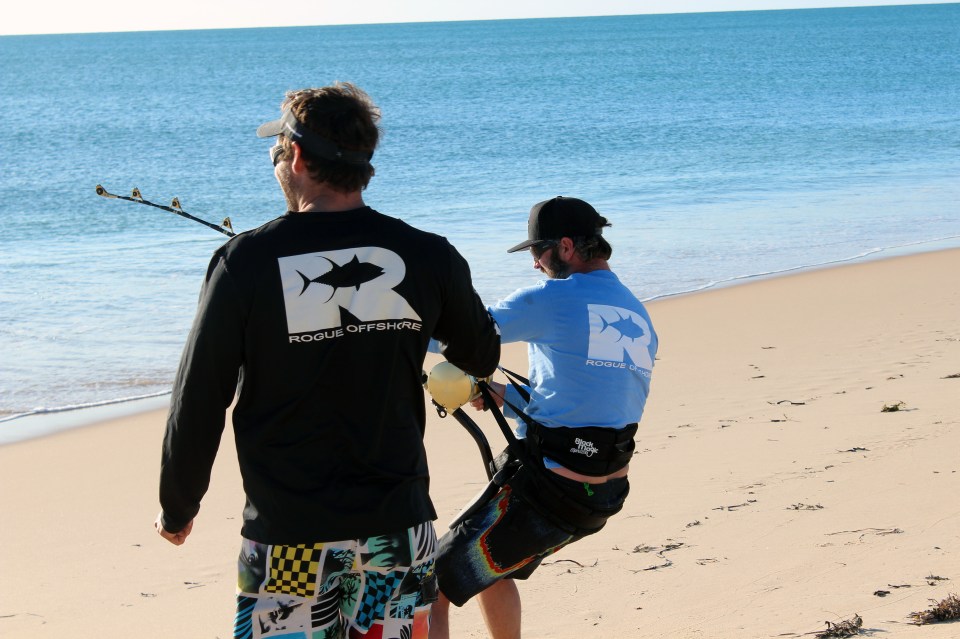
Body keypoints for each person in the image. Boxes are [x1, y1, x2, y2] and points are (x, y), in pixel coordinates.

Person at [153, 82, 500, 639]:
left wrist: (179, 503)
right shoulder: (429, 253)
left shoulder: (246, 260)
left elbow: (199, 395)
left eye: (278, 154)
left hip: (292, 532)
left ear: (295, 157)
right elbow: (481, 352)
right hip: (398, 528)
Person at [429, 196, 658, 639]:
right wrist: (500, 393)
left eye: (538, 252)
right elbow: (588, 404)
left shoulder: (554, 297)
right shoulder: (635, 311)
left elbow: (461, 337)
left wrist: (388, 328)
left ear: (567, 246)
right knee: (487, 569)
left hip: (551, 491)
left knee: (429, 583)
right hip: (603, 490)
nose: (534, 264)